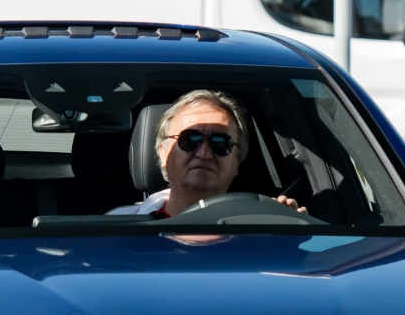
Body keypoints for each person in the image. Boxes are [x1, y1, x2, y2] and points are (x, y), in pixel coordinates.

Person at [109, 91, 300, 219]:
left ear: (237, 162)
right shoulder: (118, 226)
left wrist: (291, 236)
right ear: (163, 152)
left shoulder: (263, 226)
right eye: (190, 140)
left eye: (220, 143)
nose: (204, 153)